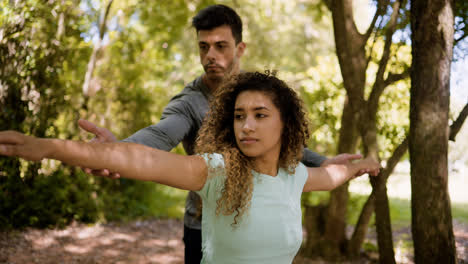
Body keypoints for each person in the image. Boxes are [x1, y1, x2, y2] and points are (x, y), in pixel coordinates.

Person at [77, 5, 370, 263]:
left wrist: (323, 162)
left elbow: (277, 144)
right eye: (203, 47)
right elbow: (161, 135)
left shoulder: (253, 93)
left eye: (220, 46)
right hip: (203, 224)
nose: (210, 55)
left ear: (240, 49)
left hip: (257, 217)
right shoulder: (189, 102)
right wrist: (118, 151)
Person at [0, 72, 380, 264]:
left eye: (260, 115)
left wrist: (362, 165)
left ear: (286, 124)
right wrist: (48, 147)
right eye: (239, 116)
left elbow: (331, 177)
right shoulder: (217, 170)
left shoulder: (293, 176)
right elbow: (146, 161)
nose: (246, 125)